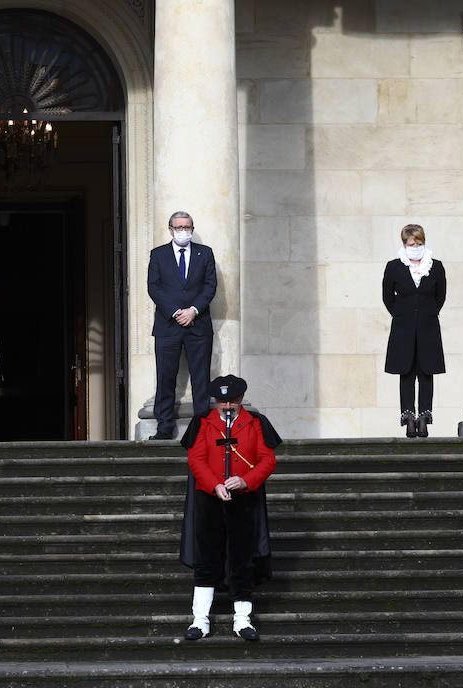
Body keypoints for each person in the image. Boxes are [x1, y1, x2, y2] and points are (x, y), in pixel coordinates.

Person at [178, 375, 279, 641]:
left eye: (232, 401)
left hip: (244, 499)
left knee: (241, 560)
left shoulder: (256, 423)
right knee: (206, 560)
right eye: (222, 401)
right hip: (209, 498)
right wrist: (215, 485)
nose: (227, 406)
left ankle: (243, 620)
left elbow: (268, 461)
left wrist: (246, 480)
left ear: (241, 400)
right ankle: (200, 621)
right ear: (215, 402)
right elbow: (196, 459)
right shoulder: (203, 422)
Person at [146, 211, 217, 440]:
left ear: (192, 229)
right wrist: (177, 312)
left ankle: (202, 429)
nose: (184, 231)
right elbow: (154, 287)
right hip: (168, 325)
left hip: (198, 324)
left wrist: (193, 310)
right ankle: (164, 427)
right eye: (179, 227)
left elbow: (210, 285)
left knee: (201, 378)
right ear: (170, 229)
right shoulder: (158, 255)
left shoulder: (204, 253)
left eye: (187, 227)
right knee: (166, 377)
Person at [381, 223, 445, 438]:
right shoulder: (394, 267)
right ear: (404, 244)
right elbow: (388, 297)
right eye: (411, 243)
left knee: (426, 373)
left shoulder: (435, 266)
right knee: (406, 373)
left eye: (418, 243)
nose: (415, 246)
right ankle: (408, 418)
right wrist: (401, 314)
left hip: (428, 328)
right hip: (403, 328)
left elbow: (440, 296)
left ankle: (425, 418)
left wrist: (428, 313)